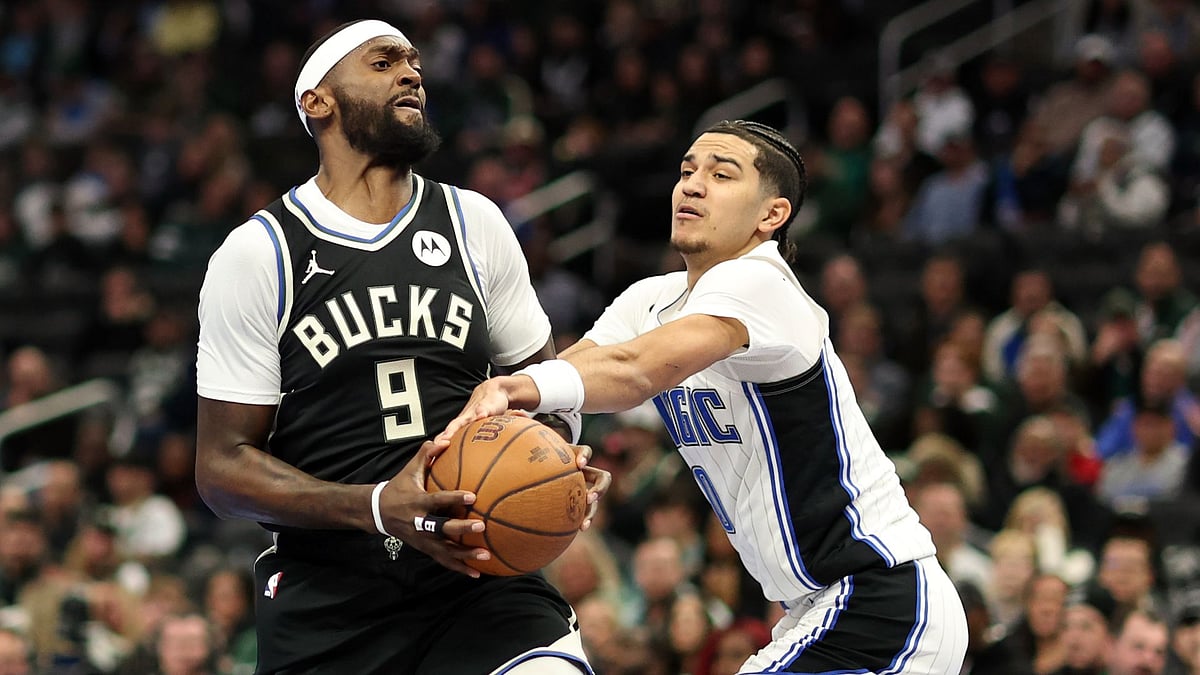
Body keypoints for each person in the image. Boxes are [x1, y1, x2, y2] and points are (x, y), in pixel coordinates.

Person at [442, 119, 968, 673]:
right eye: (687, 171)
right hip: (814, 606)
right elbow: (572, 379)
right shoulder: (652, 298)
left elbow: (634, 370)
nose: (692, 185)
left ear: (772, 215)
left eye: (722, 175)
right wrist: (555, 453)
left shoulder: (762, 281)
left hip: (880, 599)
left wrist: (511, 385)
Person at [194, 20, 608, 675]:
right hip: (330, 598)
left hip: (479, 578)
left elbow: (541, 387)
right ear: (318, 102)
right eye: (383, 63)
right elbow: (221, 469)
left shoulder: (475, 222)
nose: (412, 73)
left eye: (414, 63)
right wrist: (380, 506)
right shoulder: (259, 253)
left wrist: (556, 459)